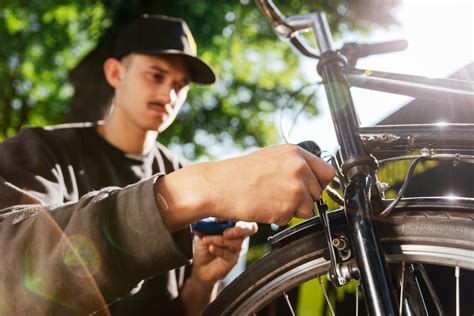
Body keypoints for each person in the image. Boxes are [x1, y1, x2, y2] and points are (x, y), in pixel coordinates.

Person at [0, 15, 336, 315]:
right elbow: (9, 274)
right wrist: (201, 188)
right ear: (115, 72)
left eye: (180, 85)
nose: (169, 94)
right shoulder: (40, 150)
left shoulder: (179, 169)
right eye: (156, 75)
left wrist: (203, 283)